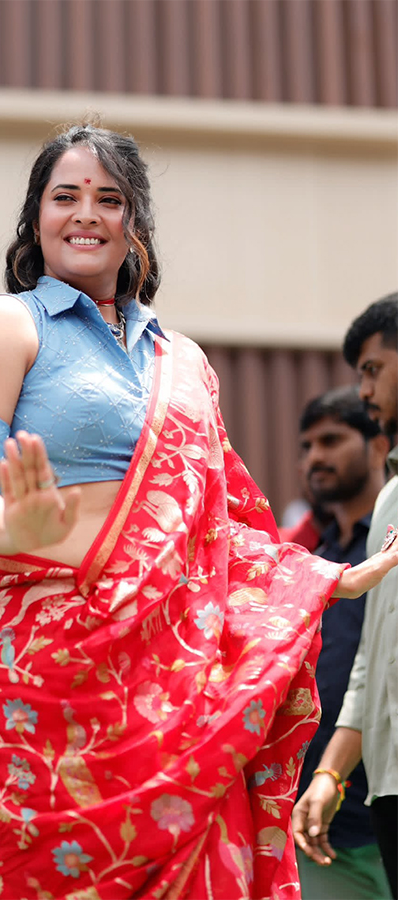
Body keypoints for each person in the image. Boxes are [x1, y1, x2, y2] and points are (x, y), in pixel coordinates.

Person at [0, 124, 398, 900]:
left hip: (174, 680)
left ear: (135, 226)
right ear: (36, 219)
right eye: (65, 196)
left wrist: (324, 579)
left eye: (109, 199)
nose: (86, 213)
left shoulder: (182, 360)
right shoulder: (7, 324)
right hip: (42, 668)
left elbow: (220, 526)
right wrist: (14, 529)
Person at [293, 294, 398, 899]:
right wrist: (330, 775)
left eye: (372, 369)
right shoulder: (314, 554)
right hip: (365, 800)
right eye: (307, 447)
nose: (315, 458)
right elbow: (369, 667)